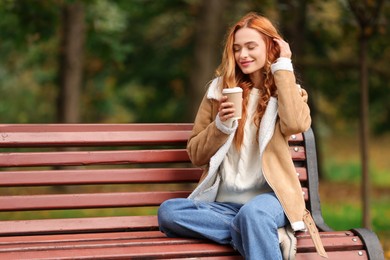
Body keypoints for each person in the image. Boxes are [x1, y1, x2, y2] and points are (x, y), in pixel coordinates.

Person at [158, 12, 327, 260]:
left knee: (253, 215)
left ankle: (258, 227)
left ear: (270, 47)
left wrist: (283, 65)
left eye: (251, 47)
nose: (243, 55)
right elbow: (195, 154)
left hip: (271, 201)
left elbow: (295, 124)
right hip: (222, 206)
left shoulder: (288, 92)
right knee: (169, 213)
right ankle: (264, 235)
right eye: (237, 48)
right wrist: (221, 125)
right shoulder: (218, 92)